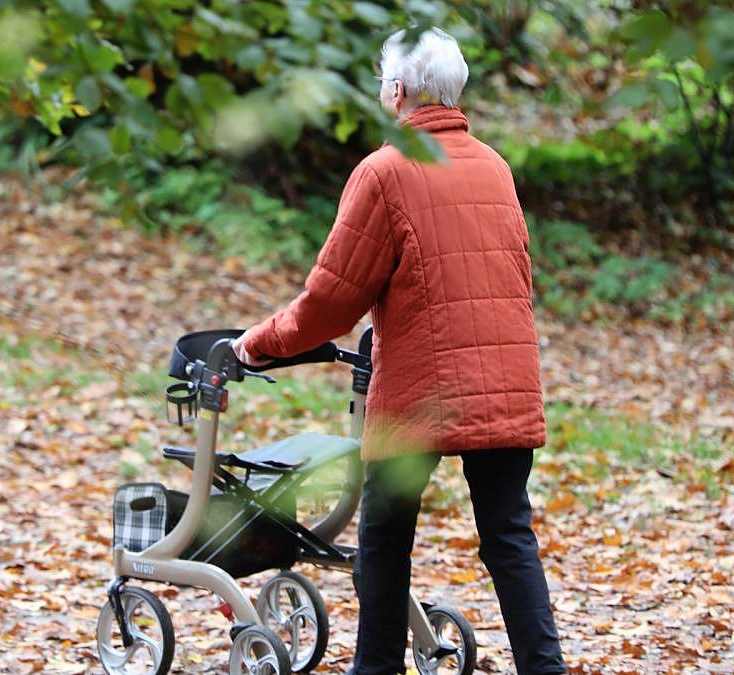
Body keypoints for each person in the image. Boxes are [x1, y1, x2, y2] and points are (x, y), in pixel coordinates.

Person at [232, 26, 567, 675]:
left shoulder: (385, 171)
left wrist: (261, 342)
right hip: (506, 374)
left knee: (384, 539)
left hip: (422, 387)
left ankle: (377, 667)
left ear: (396, 91)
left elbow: (333, 300)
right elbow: (516, 275)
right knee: (509, 536)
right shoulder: (494, 166)